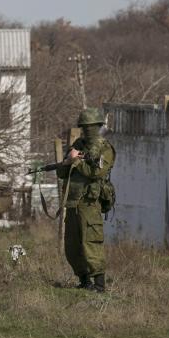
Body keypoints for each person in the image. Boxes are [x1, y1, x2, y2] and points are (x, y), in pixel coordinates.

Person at [56, 108, 115, 293]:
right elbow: (61, 173)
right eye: (84, 126)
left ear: (98, 126)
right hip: (72, 202)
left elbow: (97, 172)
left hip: (90, 202)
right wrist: (67, 162)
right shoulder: (78, 144)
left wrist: (77, 162)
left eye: (91, 126)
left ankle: (99, 284)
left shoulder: (105, 148)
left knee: (91, 243)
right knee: (72, 245)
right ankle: (84, 281)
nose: (87, 130)